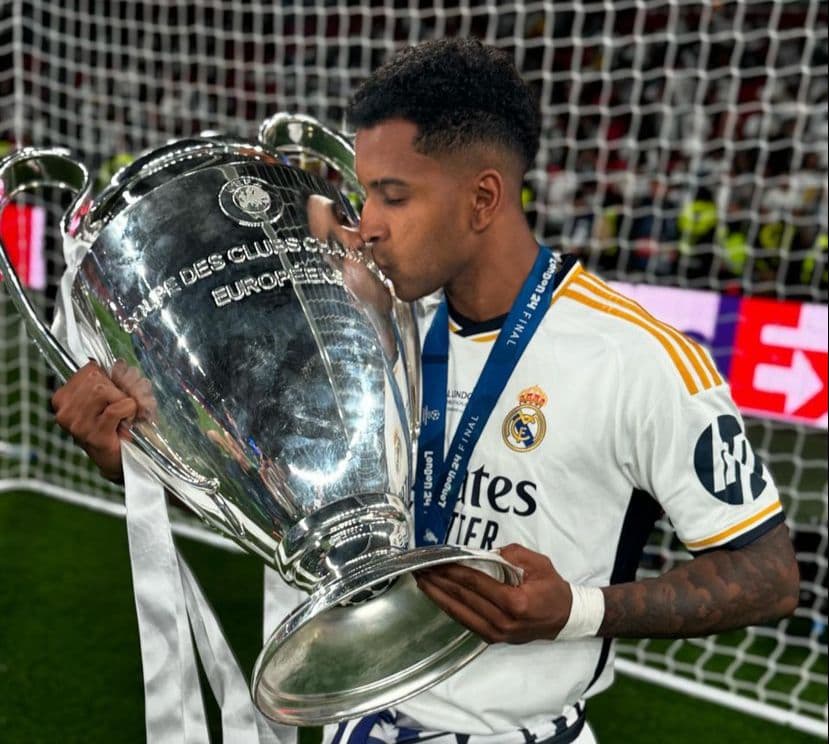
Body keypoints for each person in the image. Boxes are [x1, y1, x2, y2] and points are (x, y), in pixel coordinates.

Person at [51, 38, 800, 744]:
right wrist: (146, 467)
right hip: (359, 724)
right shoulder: (366, 329)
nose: (365, 224)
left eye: (393, 196)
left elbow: (766, 578)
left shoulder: (638, 360)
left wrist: (576, 612)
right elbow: (298, 519)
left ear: (481, 199)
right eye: (362, 192)